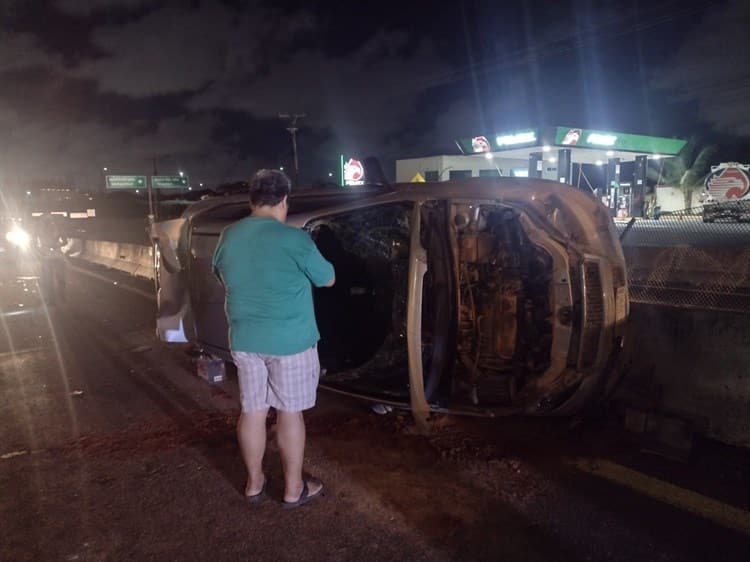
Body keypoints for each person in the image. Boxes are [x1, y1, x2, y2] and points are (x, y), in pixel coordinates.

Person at [212, 169, 335, 508]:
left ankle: (254, 482)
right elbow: (328, 280)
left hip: (245, 339)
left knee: (252, 410)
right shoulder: (294, 239)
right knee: (289, 413)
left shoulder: (229, 235)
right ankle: (293, 489)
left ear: (252, 200)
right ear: (283, 201)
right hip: (290, 342)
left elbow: (222, 274)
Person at [35, 215, 67, 304]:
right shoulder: (42, 232)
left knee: (52, 279)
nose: (47, 224)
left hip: (52, 257)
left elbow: (65, 241)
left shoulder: (42, 231)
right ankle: (57, 297)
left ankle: (57, 297)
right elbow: (65, 241)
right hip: (54, 257)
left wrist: (55, 246)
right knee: (53, 279)